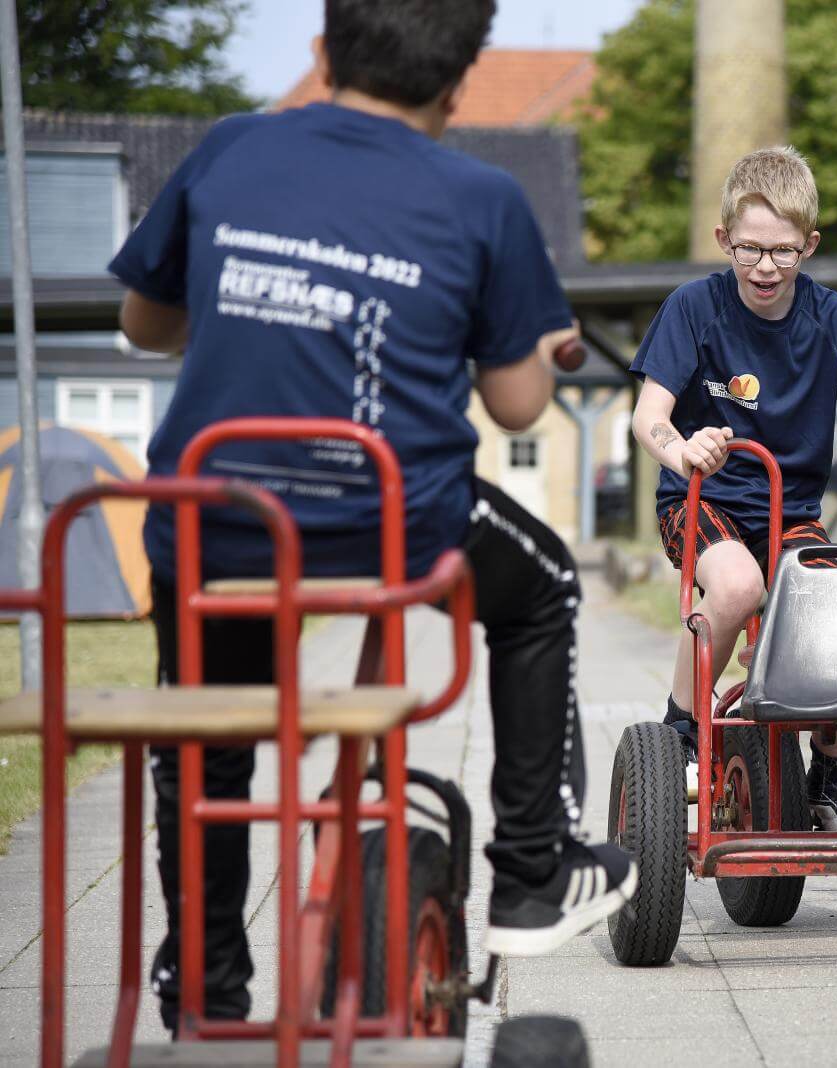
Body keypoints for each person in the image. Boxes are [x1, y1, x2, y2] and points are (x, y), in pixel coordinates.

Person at [108, 0, 634, 1032]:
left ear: (323, 46)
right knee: (545, 587)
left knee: (206, 747)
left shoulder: (229, 148)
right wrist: (542, 338)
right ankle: (532, 871)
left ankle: (205, 995)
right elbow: (518, 405)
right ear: (460, 78)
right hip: (385, 522)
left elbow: (142, 323)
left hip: (210, 521)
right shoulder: (482, 195)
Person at [629, 146, 837, 831]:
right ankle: (682, 729)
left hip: (790, 512)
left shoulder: (832, 317)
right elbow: (648, 419)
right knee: (736, 588)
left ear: (809, 245)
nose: (764, 267)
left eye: (783, 251)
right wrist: (684, 448)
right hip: (703, 502)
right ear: (724, 239)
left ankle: (829, 779)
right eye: (749, 248)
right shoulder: (694, 308)